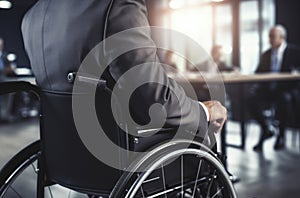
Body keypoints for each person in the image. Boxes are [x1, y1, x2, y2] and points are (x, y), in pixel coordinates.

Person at [21, 0, 226, 144]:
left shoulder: (33, 16)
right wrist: (204, 111)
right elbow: (152, 99)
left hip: (64, 150)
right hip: (122, 149)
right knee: (198, 130)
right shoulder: (117, 4)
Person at [251, 25, 300, 151]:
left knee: (284, 99)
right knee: (250, 98)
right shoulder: (266, 54)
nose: (270, 39)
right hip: (268, 90)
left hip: (286, 89)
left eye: (273, 36)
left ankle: (281, 136)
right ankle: (266, 128)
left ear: (282, 38)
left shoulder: (295, 52)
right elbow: (257, 73)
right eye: (269, 36)